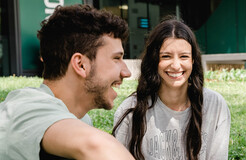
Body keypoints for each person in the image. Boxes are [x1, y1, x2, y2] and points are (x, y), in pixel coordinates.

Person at [0, 4, 134, 159]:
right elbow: (98, 146)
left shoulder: (79, 119)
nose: (127, 72)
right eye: (116, 58)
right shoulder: (27, 109)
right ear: (81, 64)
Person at [112, 18, 231, 160]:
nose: (175, 65)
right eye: (166, 56)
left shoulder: (214, 105)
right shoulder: (130, 109)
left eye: (184, 56)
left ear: (193, 61)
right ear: (154, 60)